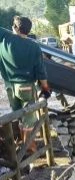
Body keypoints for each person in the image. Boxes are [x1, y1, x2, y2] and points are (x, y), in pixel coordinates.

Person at [0, 16, 51, 153]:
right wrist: (45, 89)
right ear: (28, 30)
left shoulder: (5, 38)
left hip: (10, 86)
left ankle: (18, 147)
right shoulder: (34, 46)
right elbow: (41, 71)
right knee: (29, 119)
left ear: (15, 28)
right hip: (26, 87)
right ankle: (29, 150)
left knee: (16, 115)